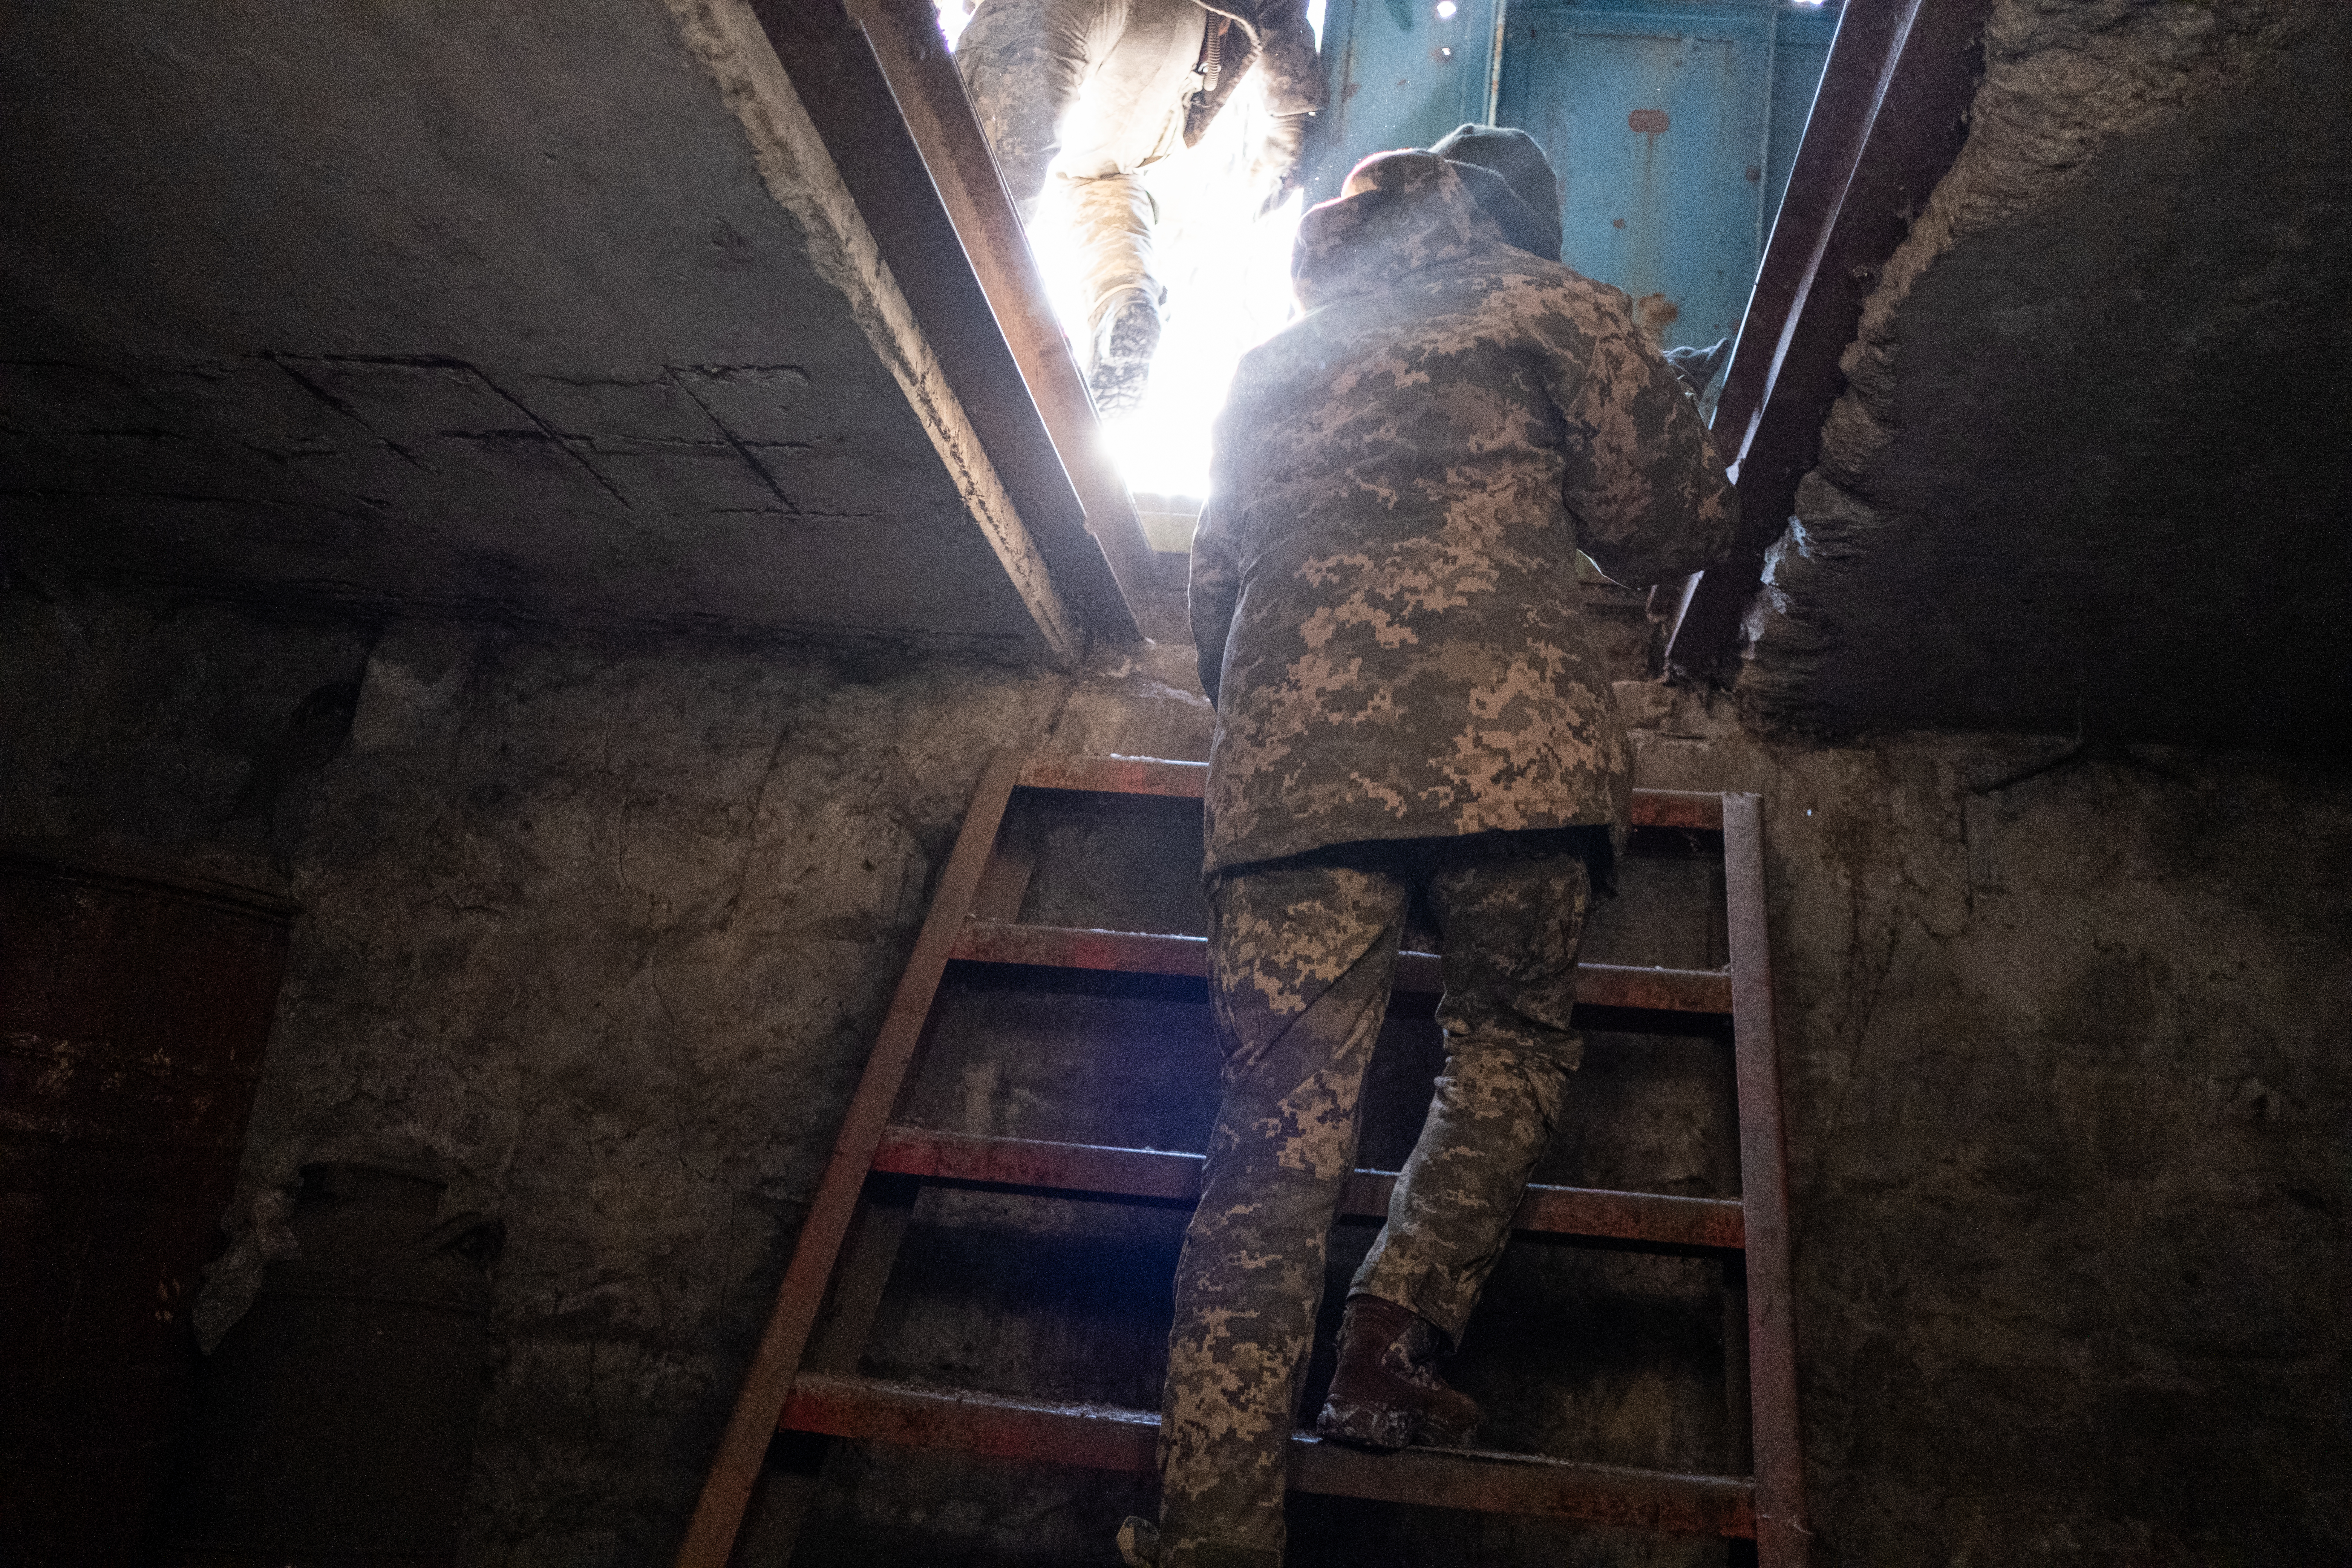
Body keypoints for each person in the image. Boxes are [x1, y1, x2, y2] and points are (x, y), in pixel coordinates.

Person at [1122, 126, 1737, 1568]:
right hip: (1512, 765)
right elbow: (1674, 526)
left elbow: (1214, 609)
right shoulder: (1552, 307)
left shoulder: (1273, 361)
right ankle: (1389, 1335)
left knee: (1269, 1156)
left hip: (1292, 785)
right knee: (1512, 1040)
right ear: (1519, 222)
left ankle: (1211, 1537)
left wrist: (1301, 734)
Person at [953, 0, 1324, 412]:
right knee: (1098, 174)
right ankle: (1122, 299)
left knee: (972, 186)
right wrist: (1291, 111)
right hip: (1186, 34)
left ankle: (959, 340)